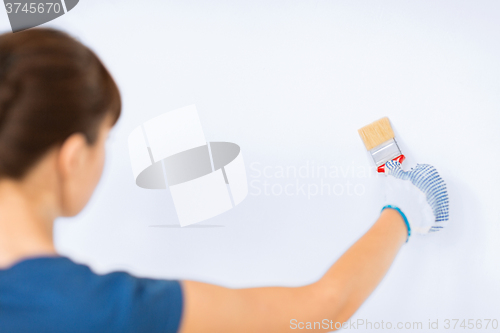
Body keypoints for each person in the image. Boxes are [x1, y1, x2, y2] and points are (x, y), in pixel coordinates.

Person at [0, 28, 449, 333]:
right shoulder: (93, 310)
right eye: (106, 140)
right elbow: (317, 311)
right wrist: (405, 210)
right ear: (74, 157)